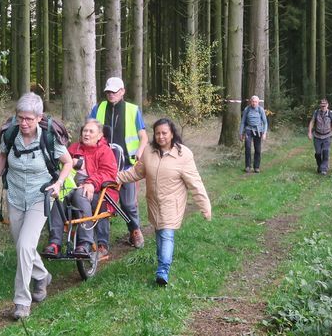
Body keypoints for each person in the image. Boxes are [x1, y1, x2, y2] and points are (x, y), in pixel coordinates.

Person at [0, 93, 73, 320]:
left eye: (29, 119)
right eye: (20, 118)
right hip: (15, 196)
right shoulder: (12, 133)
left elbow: (68, 162)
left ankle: (22, 302)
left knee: (25, 246)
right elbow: (2, 158)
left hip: (39, 198)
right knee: (23, 247)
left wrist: (58, 183)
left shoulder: (49, 137)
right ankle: (42, 276)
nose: (23, 123)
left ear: (39, 118)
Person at [117, 118, 212, 286]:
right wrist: (116, 178)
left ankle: (163, 271)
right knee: (160, 233)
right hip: (153, 202)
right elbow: (136, 172)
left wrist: (205, 206)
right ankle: (162, 261)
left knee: (167, 234)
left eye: (164, 133)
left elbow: (195, 183)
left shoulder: (184, 154)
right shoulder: (148, 152)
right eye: (158, 133)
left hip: (172, 202)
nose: (161, 137)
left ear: (172, 134)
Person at [44, 119, 118, 261]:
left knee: (80, 194)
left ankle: (84, 243)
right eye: (85, 131)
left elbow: (108, 173)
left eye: (91, 131)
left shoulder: (105, 151)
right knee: (59, 198)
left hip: (98, 191)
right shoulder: (73, 148)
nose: (87, 134)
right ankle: (54, 243)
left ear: (100, 135)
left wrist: (91, 182)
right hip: (71, 187)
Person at [89, 76, 148, 253]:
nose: (110, 94)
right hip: (102, 165)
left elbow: (143, 136)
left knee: (128, 203)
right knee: (101, 203)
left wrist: (139, 152)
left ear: (122, 92)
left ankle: (135, 231)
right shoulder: (98, 108)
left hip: (126, 165)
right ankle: (102, 244)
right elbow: (89, 130)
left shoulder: (132, 110)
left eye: (114, 91)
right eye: (108, 91)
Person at [307, 98, 332, 175]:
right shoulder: (316, 112)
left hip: (327, 136)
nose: (323, 107)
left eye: (324, 106)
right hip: (317, 136)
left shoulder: (331, 113)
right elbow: (312, 122)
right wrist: (309, 132)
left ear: (327, 105)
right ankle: (320, 166)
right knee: (318, 153)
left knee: (326, 152)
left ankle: (324, 169)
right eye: (322, 106)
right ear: (320, 106)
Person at [239, 95, 269, 173]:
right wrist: (241, 133)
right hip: (248, 130)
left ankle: (256, 167)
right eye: (252, 101)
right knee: (248, 148)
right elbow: (243, 122)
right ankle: (248, 166)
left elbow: (265, 122)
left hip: (258, 130)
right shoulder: (247, 109)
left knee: (257, 149)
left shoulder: (260, 110)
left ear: (258, 102)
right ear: (250, 102)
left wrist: (264, 133)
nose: (254, 103)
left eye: (255, 102)